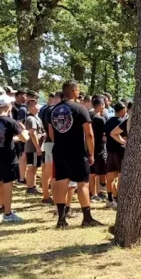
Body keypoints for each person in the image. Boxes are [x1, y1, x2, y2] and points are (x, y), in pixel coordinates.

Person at [48, 80, 103, 228]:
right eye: (78, 90)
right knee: (83, 184)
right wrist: (91, 153)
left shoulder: (53, 110)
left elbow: (51, 132)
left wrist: (60, 142)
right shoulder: (80, 109)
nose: (79, 92)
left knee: (61, 184)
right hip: (77, 152)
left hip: (59, 151)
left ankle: (61, 219)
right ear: (73, 91)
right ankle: (87, 218)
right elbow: (89, 133)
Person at [0, 94, 28, 223]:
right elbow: (24, 138)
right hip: (9, 157)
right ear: (9, 106)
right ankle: (7, 213)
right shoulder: (11, 122)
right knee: (8, 186)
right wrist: (22, 135)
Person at [103, 100, 127, 208]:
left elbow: (104, 137)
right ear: (123, 110)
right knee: (121, 176)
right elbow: (125, 137)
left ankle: (109, 198)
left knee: (110, 177)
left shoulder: (107, 122)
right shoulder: (122, 122)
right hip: (120, 151)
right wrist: (124, 142)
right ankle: (119, 198)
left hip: (109, 151)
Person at [39, 92, 59, 205]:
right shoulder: (54, 110)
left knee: (47, 172)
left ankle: (46, 196)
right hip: (53, 143)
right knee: (54, 173)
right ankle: (55, 199)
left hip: (47, 143)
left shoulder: (45, 109)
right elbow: (51, 128)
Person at [23, 96, 45, 195]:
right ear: (32, 107)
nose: (38, 108)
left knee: (35, 167)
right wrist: (38, 148)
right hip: (33, 148)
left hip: (34, 148)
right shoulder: (31, 119)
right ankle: (30, 187)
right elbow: (33, 133)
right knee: (32, 168)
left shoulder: (35, 118)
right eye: (36, 106)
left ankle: (33, 186)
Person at [89, 95, 109, 201]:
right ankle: (97, 193)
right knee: (98, 172)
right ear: (101, 105)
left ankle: (93, 193)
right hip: (99, 148)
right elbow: (104, 136)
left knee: (92, 172)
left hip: (88, 147)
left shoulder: (88, 117)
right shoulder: (101, 120)